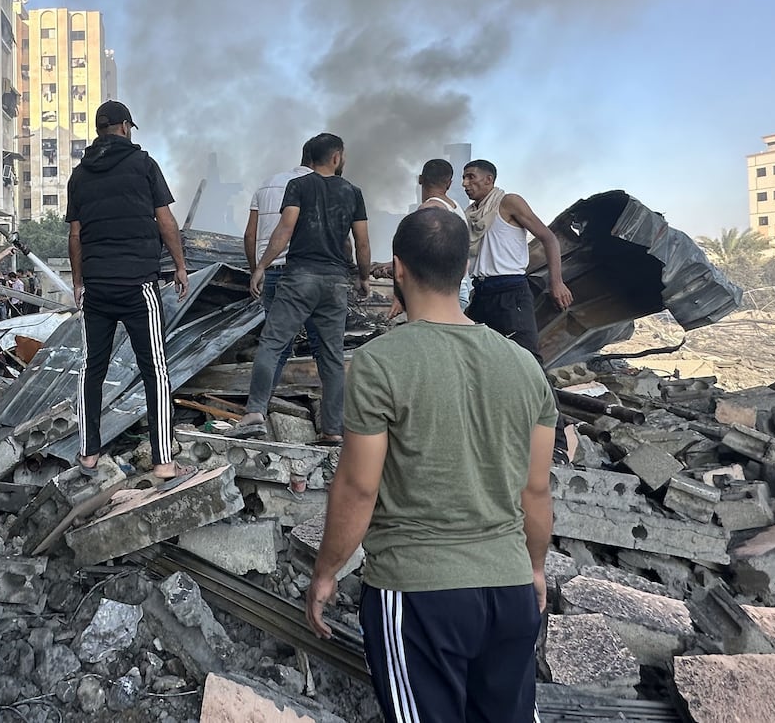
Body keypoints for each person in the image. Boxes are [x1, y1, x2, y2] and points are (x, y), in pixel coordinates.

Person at [306, 208, 555, 723]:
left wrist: (326, 573)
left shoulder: (380, 362)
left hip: (418, 594)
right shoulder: (524, 365)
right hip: (509, 593)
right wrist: (533, 568)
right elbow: (535, 492)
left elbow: (357, 488)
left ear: (397, 269)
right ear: (464, 270)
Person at [66, 99, 192, 479]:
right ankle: (164, 461)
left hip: (98, 287)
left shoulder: (79, 176)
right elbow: (165, 219)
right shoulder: (143, 164)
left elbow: (75, 235)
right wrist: (181, 265)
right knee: (155, 368)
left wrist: (78, 281)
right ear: (123, 127)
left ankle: (88, 453)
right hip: (139, 284)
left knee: (92, 370)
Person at [238, 133, 370, 444]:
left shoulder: (299, 186)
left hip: (299, 278)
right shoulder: (353, 192)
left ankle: (255, 413)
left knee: (272, 344)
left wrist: (260, 266)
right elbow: (361, 243)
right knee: (331, 357)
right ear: (336, 158)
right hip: (335, 282)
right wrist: (363, 277)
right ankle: (332, 430)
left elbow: (285, 229)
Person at [460, 160, 573, 361]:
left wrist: (556, 282)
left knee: (526, 360)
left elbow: (548, 238)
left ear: (488, 180)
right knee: (476, 358)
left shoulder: (509, 202)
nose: (465, 184)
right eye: (463, 178)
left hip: (510, 294)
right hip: (481, 294)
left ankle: (542, 393)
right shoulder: (470, 214)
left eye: (470, 177)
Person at [244, 142, 324, 387]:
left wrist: (256, 269)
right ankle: (331, 408)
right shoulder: (321, 186)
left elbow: (250, 235)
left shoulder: (267, 184)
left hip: (271, 273)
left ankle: (261, 405)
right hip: (308, 274)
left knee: (275, 345)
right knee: (320, 344)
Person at [385, 159, 471, 319]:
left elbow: (415, 257)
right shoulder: (455, 208)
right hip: (456, 291)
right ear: (449, 183)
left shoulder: (428, 211)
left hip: (435, 295)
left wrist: (399, 295)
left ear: (420, 179)